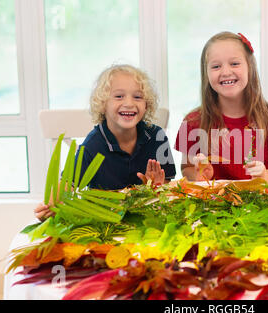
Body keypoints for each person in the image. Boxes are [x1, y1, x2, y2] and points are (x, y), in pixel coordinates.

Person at [35, 64, 176, 220]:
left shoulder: (157, 136)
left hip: (146, 219)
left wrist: (156, 186)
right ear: (102, 104)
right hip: (105, 222)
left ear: (146, 105)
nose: (129, 103)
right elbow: (67, 184)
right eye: (119, 96)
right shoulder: (93, 145)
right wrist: (50, 206)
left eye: (137, 97)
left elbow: (168, 186)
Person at [175, 31, 268, 183]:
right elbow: (186, 168)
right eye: (216, 66)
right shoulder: (193, 121)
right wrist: (200, 175)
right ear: (206, 73)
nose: (226, 72)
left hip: (262, 201)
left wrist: (265, 176)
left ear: (250, 68)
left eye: (234, 64)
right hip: (213, 204)